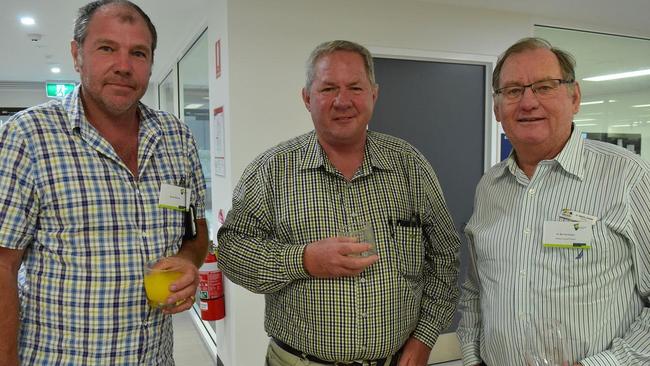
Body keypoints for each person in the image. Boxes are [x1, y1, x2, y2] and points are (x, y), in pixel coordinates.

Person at [217, 40, 460, 366]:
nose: (342, 101)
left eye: (355, 87)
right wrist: (302, 260)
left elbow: (445, 257)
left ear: (374, 94)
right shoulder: (271, 171)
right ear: (307, 98)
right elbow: (232, 251)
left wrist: (424, 339)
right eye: (328, 88)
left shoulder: (410, 166)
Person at [0, 1, 209, 365]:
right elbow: (3, 265)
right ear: (77, 54)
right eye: (107, 48)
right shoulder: (26, 137)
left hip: (155, 358)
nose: (124, 66)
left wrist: (187, 260)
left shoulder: (177, 137)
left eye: (138, 53)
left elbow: (196, 228)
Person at [457, 37, 650, 366]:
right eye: (514, 90)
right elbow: (478, 289)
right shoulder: (489, 186)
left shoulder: (628, 177)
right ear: (497, 107)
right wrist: (472, 356)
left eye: (544, 87)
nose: (528, 102)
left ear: (574, 97)